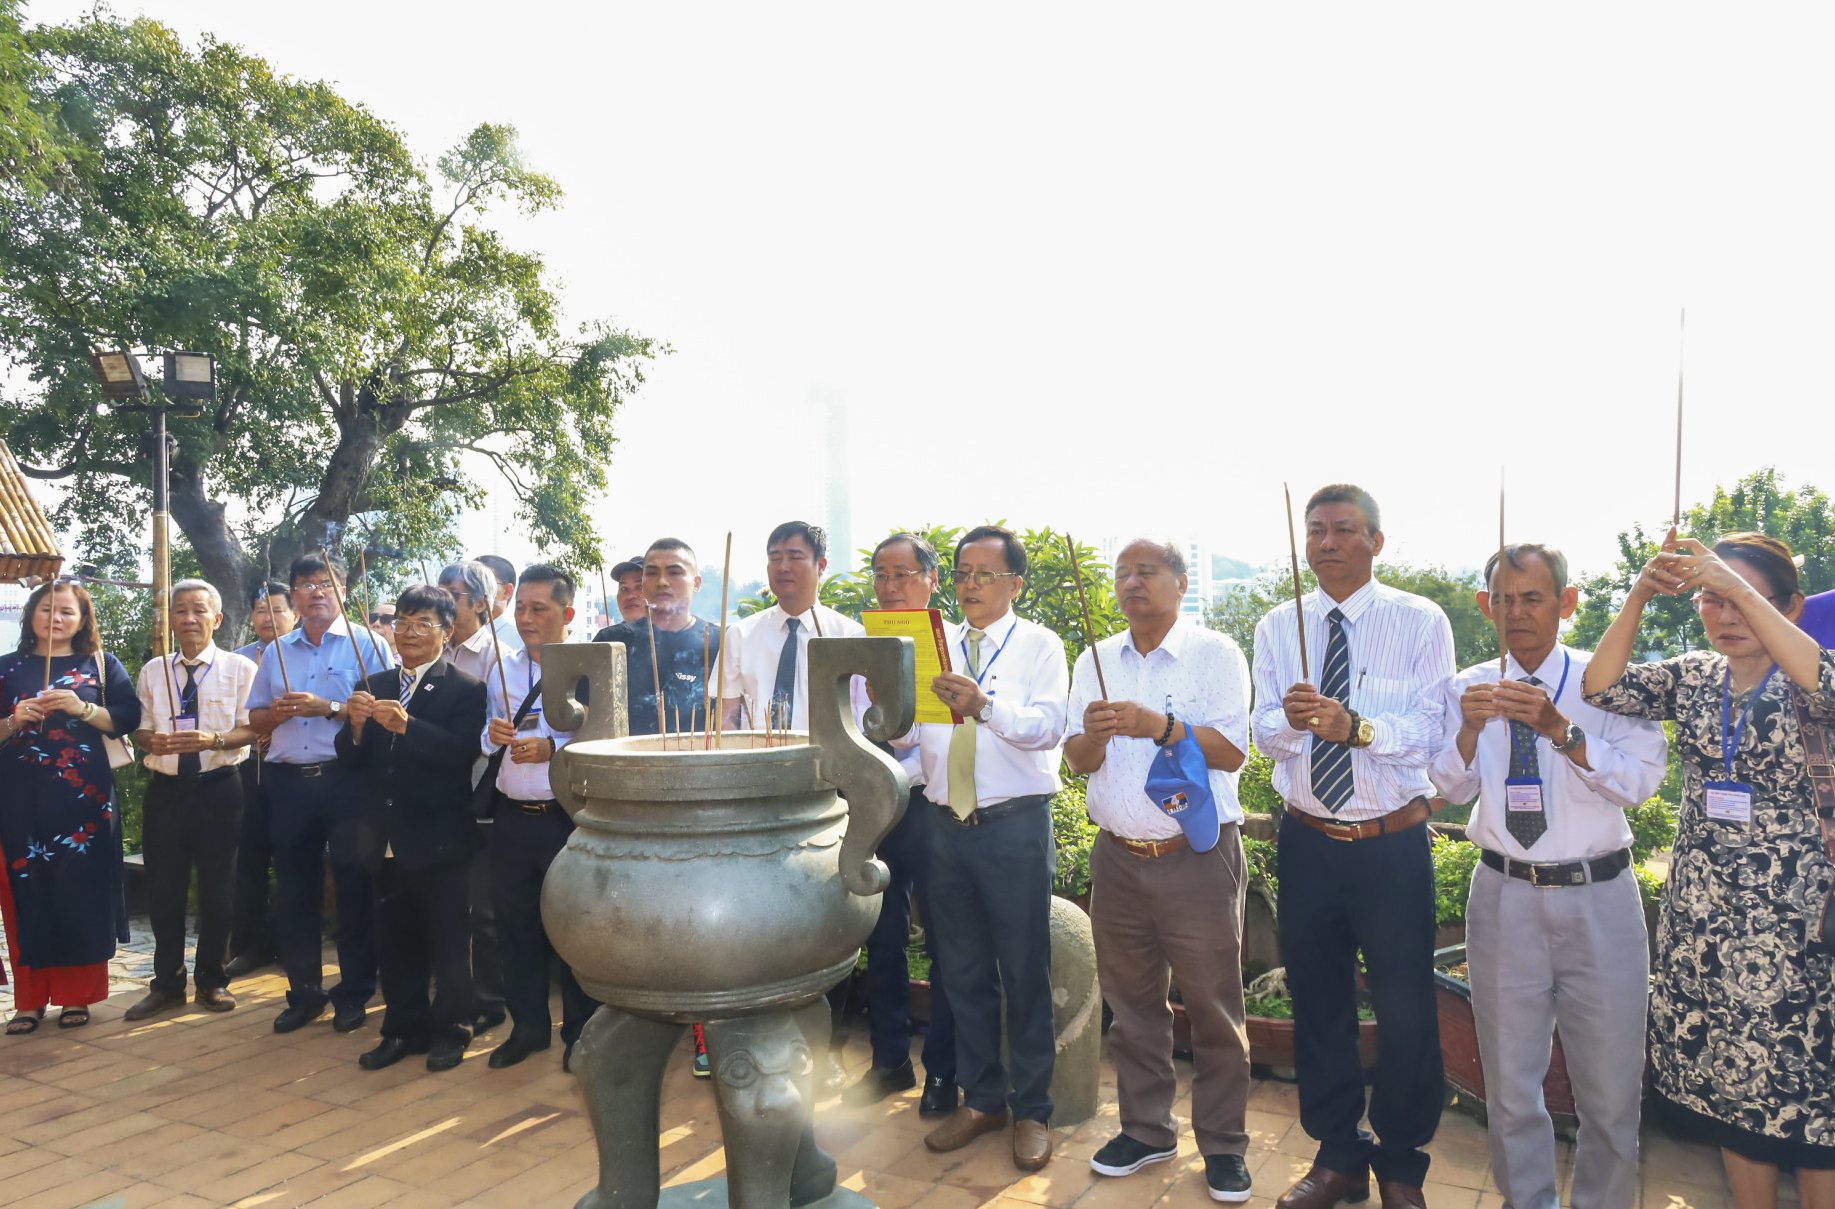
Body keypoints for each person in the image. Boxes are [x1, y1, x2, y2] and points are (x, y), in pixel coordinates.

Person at [1583, 531, 1835, 1209]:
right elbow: (1599, 686)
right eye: (1708, 600)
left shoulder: (1811, 675)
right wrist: (1638, 592)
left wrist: (1732, 580)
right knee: (1733, 1094)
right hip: (1703, 928)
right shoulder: (1694, 676)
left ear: (1788, 605)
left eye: (1739, 600)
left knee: (1812, 1108)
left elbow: (1825, 683)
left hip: (1797, 934)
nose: (1723, 615)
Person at [1429, 544, 1667, 1209]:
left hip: (1600, 896)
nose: (1515, 613)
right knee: (1508, 1084)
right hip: (1503, 895)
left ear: (1565, 602)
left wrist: (1561, 730)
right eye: (1501, 599)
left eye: (1531, 598)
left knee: (1611, 1088)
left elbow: (1640, 784)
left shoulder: (1610, 679)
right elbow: (1448, 785)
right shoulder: (1466, 686)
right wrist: (1469, 731)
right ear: (1484, 606)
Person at [1250, 485, 1454, 1209]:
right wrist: (1292, 719)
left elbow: (1430, 732)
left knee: (1404, 1007)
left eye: (1343, 529)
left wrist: (1355, 727)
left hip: (1389, 844)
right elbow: (1260, 732)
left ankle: (1400, 1163)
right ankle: (1336, 1154)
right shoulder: (1279, 623)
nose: (1328, 542)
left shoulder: (1418, 619)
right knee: (1318, 1003)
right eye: (1316, 531)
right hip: (1306, 839)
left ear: (1376, 540)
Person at [1065, 539, 1255, 1202]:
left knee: (1213, 1006)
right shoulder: (1094, 659)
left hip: (1196, 857)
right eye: (1122, 572)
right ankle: (1147, 1129)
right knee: (1132, 1005)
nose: (1131, 582)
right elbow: (1077, 759)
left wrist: (1160, 724)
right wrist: (1093, 733)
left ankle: (1224, 1145)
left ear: (1179, 582)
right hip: (1117, 856)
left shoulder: (1214, 653)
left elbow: (1233, 751)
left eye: (1146, 571)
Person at [896, 525, 1068, 1173]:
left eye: (984, 574)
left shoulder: (1039, 646)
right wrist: (891, 707)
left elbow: (1049, 725)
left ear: (1015, 584)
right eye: (962, 573)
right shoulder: (933, 644)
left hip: (1013, 825)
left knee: (1024, 969)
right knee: (961, 970)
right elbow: (912, 733)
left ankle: (1034, 1110)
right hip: (943, 824)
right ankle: (983, 1097)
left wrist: (985, 704)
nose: (969, 585)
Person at [716, 521, 866, 1087]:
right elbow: (726, 718)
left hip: (829, 798)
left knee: (830, 920)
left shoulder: (847, 635)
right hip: (760, 797)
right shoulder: (743, 633)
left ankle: (825, 1047)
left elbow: (865, 727)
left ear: (820, 567)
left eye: (796, 556)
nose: (783, 566)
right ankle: (757, 1042)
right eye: (775, 555)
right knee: (760, 920)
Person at [337, 585, 489, 1073]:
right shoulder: (376, 680)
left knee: (448, 943)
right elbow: (351, 757)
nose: (409, 633)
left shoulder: (465, 687)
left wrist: (408, 727)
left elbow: (463, 752)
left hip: (440, 837)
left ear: (447, 633)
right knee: (395, 941)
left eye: (423, 624)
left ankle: (452, 1029)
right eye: (402, 622)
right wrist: (356, 727)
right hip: (385, 837)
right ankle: (401, 1029)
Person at [245, 552, 397, 1035]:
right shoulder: (276, 651)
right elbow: (253, 719)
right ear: (292, 595)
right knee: (294, 892)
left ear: (344, 591)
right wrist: (278, 714)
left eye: (325, 584)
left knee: (353, 889)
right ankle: (304, 993)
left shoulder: (367, 645)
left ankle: (354, 993)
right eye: (305, 584)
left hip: (347, 781)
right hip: (289, 784)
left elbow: (386, 716)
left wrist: (326, 706)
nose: (315, 592)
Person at [841, 532, 957, 1117]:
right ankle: (888, 1061)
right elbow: (858, 729)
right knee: (879, 938)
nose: (891, 586)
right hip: (876, 812)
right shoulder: (862, 649)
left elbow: (941, 736)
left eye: (904, 574)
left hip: (933, 811)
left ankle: (944, 1071)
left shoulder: (951, 646)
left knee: (945, 943)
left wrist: (900, 769)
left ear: (931, 580)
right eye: (882, 575)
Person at [0, 580, 140, 1032]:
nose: (55, 618)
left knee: (82, 892)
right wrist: (13, 719)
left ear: (82, 620)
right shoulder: (6, 667)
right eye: (46, 609)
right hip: (20, 800)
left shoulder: (100, 664)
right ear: (31, 615)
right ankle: (29, 1000)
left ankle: (78, 996)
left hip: (86, 804)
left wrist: (82, 708)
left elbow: (128, 718)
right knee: (27, 893)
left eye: (66, 611)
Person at [480, 563, 600, 1070]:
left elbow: (607, 735)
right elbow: (484, 736)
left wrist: (552, 746)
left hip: (567, 818)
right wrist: (495, 737)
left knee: (574, 928)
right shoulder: (501, 665)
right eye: (521, 607)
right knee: (515, 928)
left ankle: (581, 1034)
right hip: (511, 817)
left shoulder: (592, 666)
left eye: (539, 608)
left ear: (567, 613)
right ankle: (528, 1027)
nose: (526, 618)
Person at [125, 579, 261, 1020]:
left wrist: (215, 739)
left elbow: (253, 728)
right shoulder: (154, 670)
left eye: (198, 610)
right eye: (180, 610)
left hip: (220, 788)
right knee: (164, 888)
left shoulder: (241, 670)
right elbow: (141, 728)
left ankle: (211, 982)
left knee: (219, 889)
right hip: (166, 792)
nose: (188, 619)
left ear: (217, 619)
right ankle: (166, 984)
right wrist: (152, 742)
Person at [436, 559, 509, 1034]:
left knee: (484, 909)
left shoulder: (502, 656)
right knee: (448, 902)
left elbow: (498, 728)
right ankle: (450, 991)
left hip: (485, 794)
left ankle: (490, 999)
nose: (441, 606)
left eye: (452, 597)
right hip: (439, 795)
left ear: (482, 603)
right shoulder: (431, 653)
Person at [227, 580, 296, 978]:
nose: (267, 618)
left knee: (292, 858)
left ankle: (291, 942)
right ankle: (249, 945)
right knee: (249, 858)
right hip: (248, 767)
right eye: (260, 610)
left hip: (291, 768)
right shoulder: (237, 660)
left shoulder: (305, 654)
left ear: (294, 613)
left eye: (276, 610)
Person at [593, 539, 721, 736]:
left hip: (698, 764)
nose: (661, 581)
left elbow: (731, 721)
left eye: (674, 572)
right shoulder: (612, 642)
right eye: (652, 573)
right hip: (628, 764)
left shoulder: (720, 642)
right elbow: (589, 720)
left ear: (696, 583)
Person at [474, 554, 525, 654]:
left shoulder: (521, 640)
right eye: (468, 584)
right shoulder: (452, 636)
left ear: (507, 591)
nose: (473, 590)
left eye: (483, 583)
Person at [610, 556, 648, 625]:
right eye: (624, 588)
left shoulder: (671, 634)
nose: (630, 596)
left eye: (640, 587)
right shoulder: (608, 635)